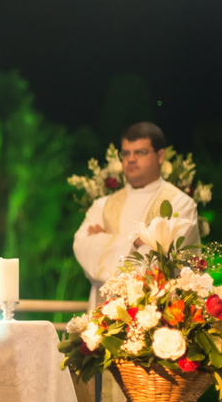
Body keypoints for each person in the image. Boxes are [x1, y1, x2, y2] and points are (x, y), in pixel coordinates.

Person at [74, 121, 199, 309]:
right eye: (125, 153)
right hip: (101, 319)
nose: (131, 159)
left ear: (160, 156)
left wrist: (105, 240)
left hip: (157, 319)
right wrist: (134, 242)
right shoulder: (102, 205)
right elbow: (82, 248)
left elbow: (162, 262)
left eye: (140, 152)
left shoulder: (181, 204)